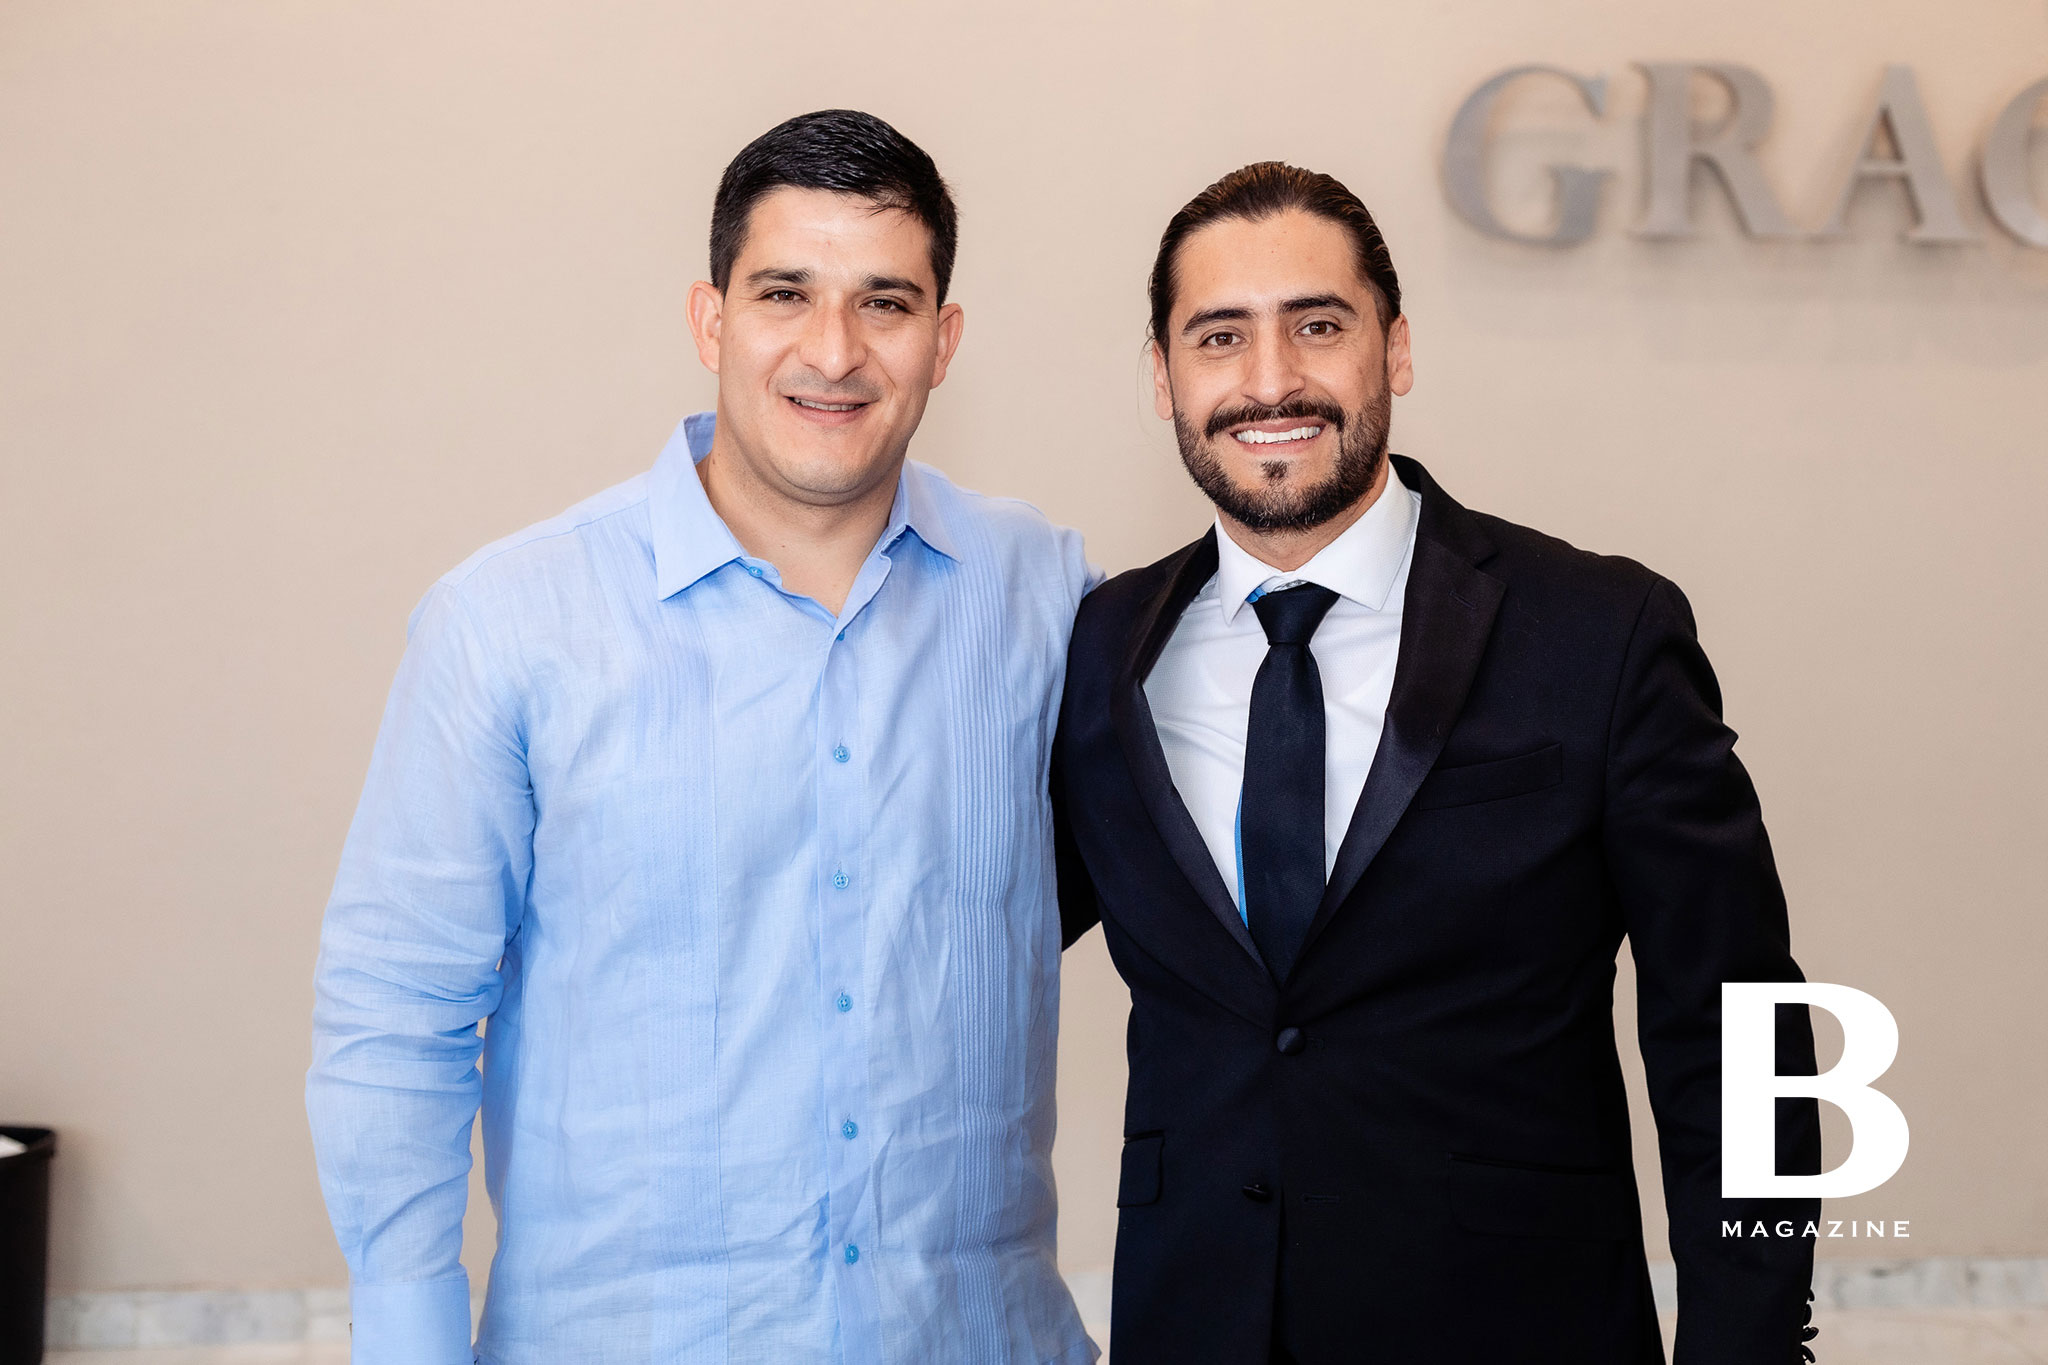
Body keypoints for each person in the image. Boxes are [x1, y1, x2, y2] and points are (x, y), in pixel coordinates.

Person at [308, 110, 1096, 1365]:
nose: (832, 350)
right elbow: (395, 1016)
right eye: (785, 293)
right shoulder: (510, 622)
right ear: (710, 319)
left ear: (943, 341)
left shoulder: (1044, 597)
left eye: (884, 303)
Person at [1051, 161, 1822, 1364]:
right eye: (1219, 336)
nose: (1270, 379)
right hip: (1192, 1326)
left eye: (1318, 326)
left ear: (1394, 350)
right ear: (1162, 376)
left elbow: (1736, 1027)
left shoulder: (1599, 633)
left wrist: (1747, 1347)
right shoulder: (1099, 649)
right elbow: (971, 934)